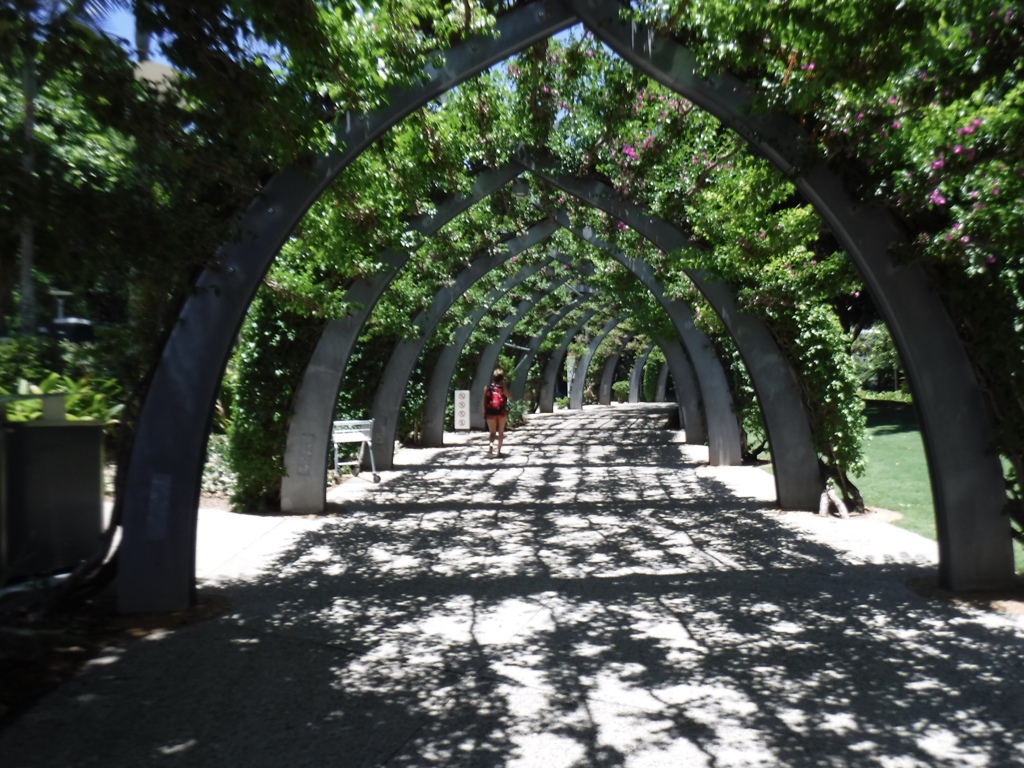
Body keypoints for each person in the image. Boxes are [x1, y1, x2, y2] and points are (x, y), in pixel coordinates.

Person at [483, 368, 511, 457]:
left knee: (492, 433)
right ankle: (499, 452)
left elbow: (484, 401)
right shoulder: (502, 388)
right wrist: (505, 387)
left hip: (490, 413)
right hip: (501, 412)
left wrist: (484, 412)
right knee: (501, 432)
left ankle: (491, 448)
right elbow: (510, 397)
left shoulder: (487, 387)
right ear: (502, 378)